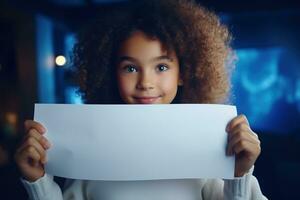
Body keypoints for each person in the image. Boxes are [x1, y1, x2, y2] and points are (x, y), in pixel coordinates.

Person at [15, 0, 267, 199]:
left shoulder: (211, 146)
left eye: (161, 67)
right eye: (131, 68)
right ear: (111, 73)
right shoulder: (88, 152)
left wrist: (238, 174)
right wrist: (38, 181)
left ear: (184, 73)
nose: (146, 83)